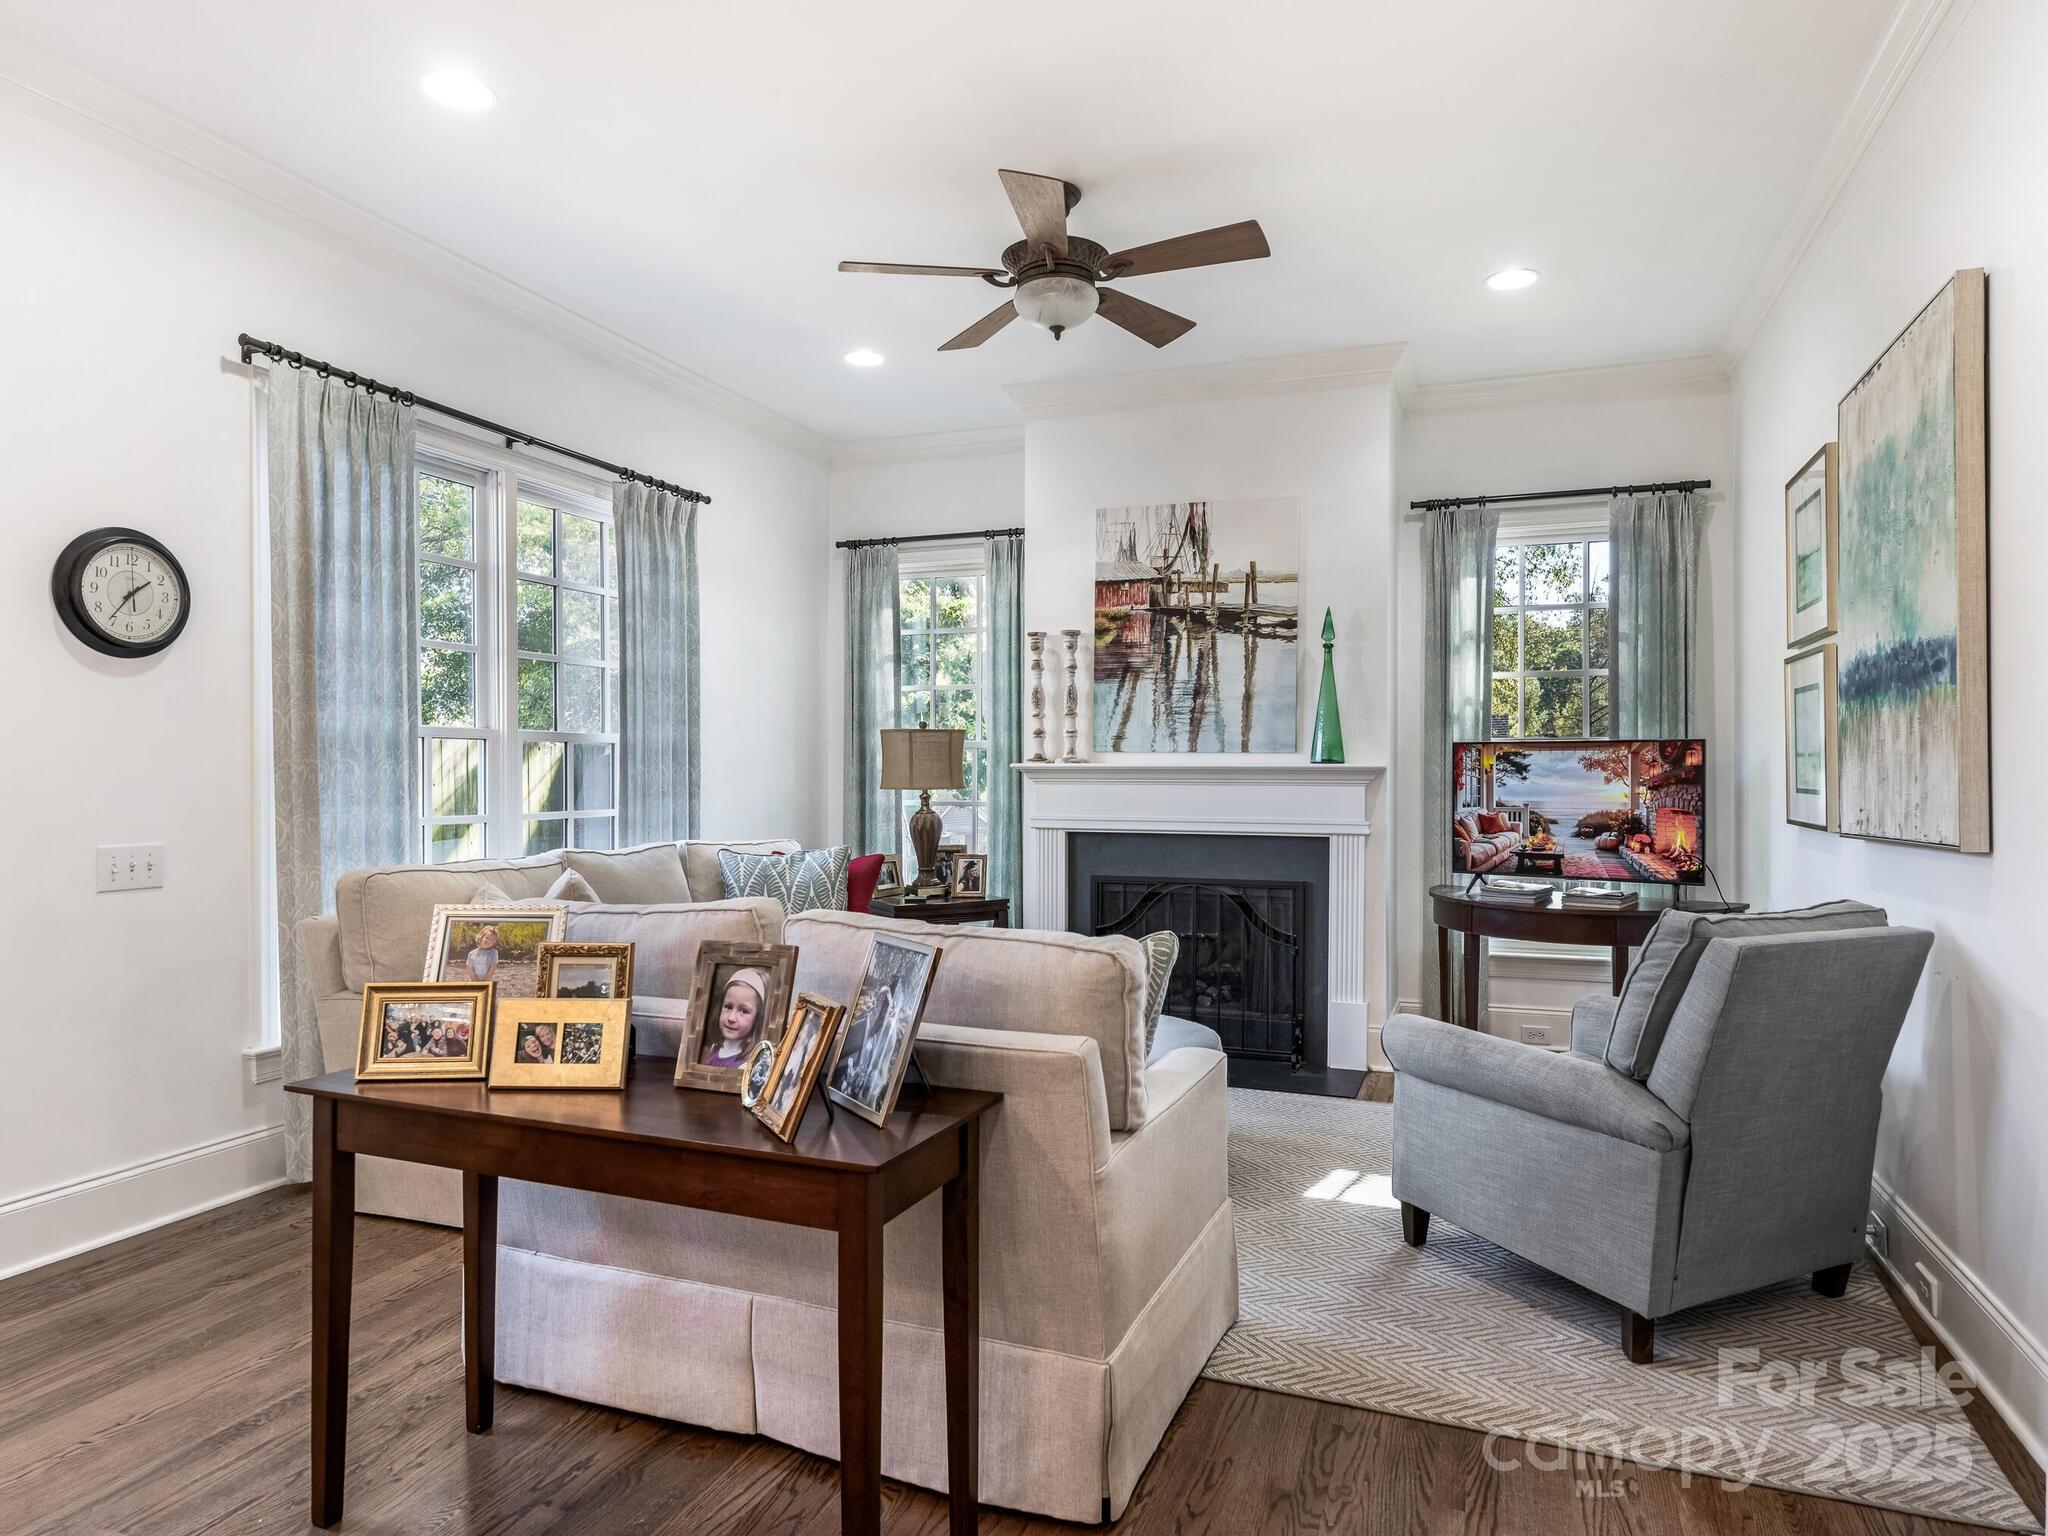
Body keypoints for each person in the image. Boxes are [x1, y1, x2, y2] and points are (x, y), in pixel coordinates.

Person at [702, 967, 769, 1067]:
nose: (731, 1018)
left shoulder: (746, 1065)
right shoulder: (715, 1047)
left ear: (757, 1018)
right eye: (728, 1007)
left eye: (743, 1011)